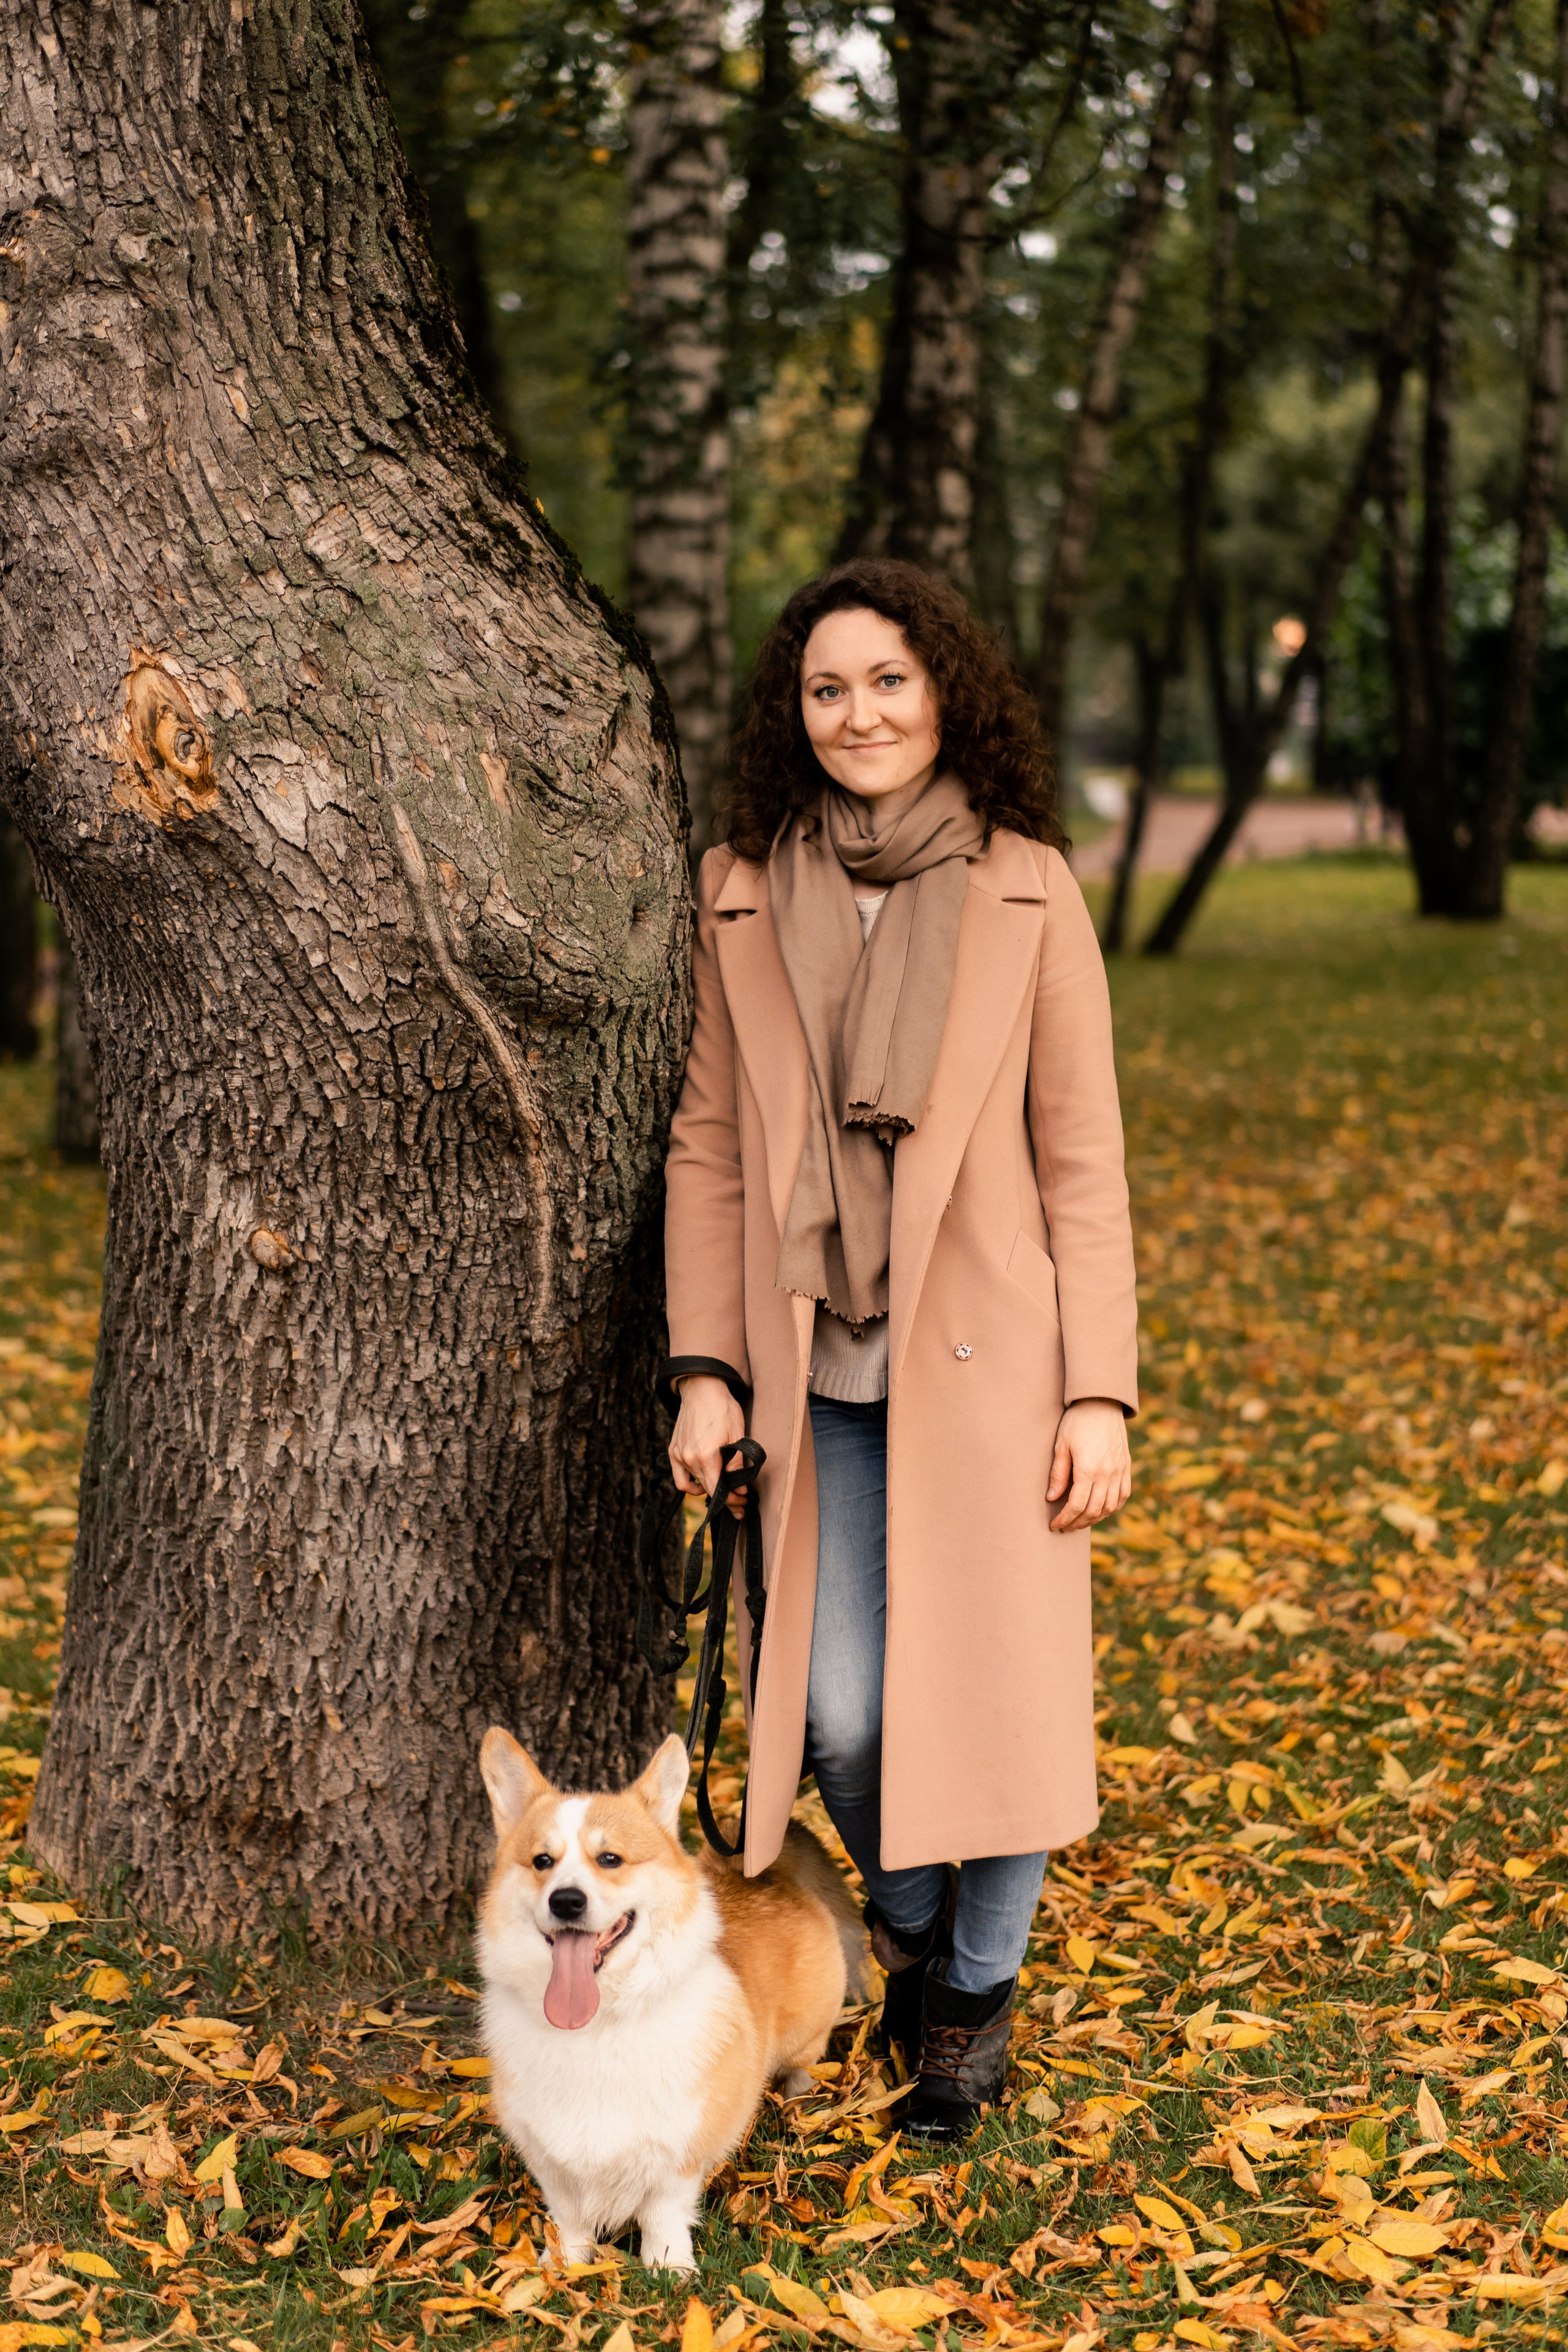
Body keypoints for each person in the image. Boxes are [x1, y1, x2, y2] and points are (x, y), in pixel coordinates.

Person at [660, 558, 1137, 2139]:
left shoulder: (1029, 886)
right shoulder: (740, 884)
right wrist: (707, 1367)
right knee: (847, 1720)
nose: (860, 715)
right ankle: (919, 1938)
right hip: (815, 1385)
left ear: (946, 694)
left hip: (999, 1376)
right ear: (791, 713)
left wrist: (1099, 1391)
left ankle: (969, 2012)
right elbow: (713, 1146)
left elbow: (1084, 1162)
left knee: (995, 1703)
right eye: (827, 688)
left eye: (889, 681)